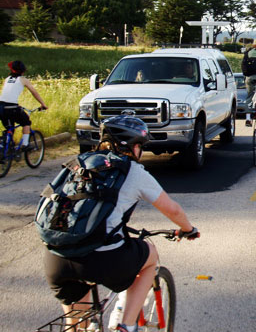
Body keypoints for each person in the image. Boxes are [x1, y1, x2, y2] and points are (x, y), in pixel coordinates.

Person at [43, 115, 199, 332]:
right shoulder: (133, 171)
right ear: (133, 147)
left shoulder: (79, 163)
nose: (141, 151)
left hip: (57, 257)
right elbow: (172, 209)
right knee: (150, 255)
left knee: (77, 324)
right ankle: (126, 325)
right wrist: (188, 229)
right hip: (103, 260)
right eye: (140, 146)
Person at [0, 61, 48, 148]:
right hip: (11, 108)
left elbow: (7, 95)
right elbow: (34, 92)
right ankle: (25, 144)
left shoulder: (7, 79)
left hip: (1, 108)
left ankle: (5, 149)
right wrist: (43, 104)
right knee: (26, 122)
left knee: (9, 128)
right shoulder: (23, 80)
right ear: (23, 70)